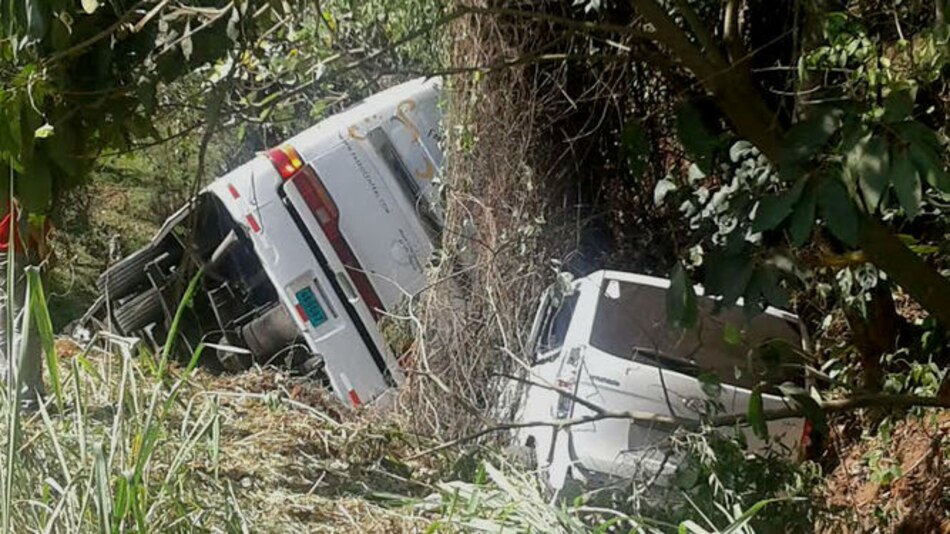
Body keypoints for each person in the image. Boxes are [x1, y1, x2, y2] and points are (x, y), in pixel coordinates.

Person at [0, 199, 51, 412]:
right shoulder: (19, 169)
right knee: (26, 324)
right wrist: (42, 243)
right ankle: (27, 398)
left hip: (5, 252)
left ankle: (7, 387)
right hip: (18, 250)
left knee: (4, 324)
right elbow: (22, 206)